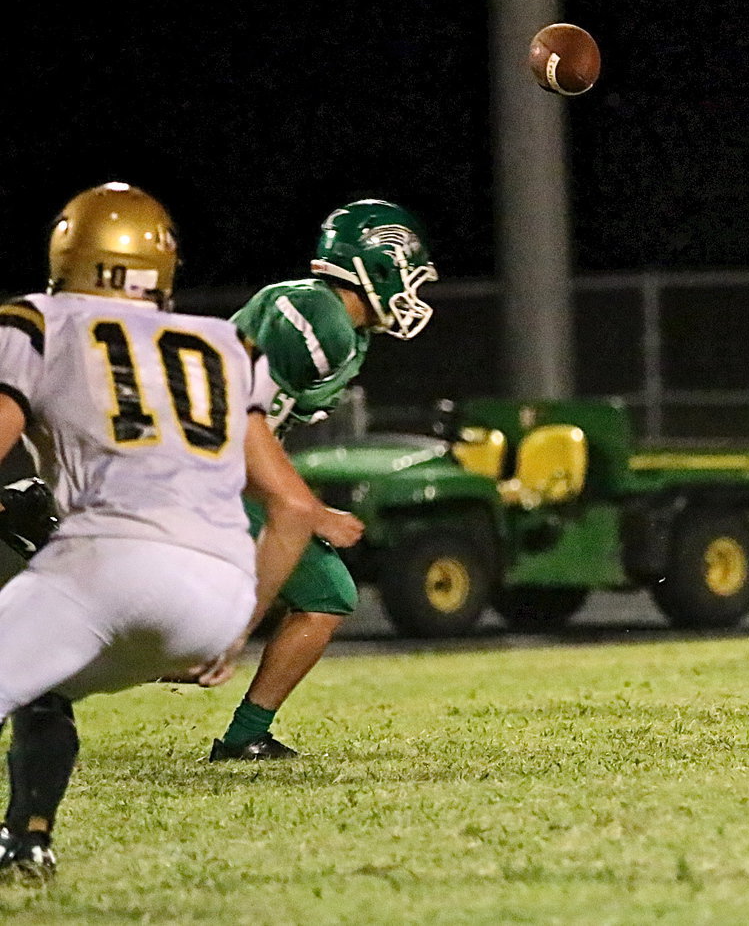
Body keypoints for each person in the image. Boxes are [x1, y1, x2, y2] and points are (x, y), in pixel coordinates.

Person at [0, 182, 363, 877]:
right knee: (43, 675)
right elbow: (289, 506)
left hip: (106, 561)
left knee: (26, 660)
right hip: (216, 591)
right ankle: (25, 839)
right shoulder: (221, 342)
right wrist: (235, 628)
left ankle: (27, 838)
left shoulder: (36, 320)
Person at [204, 199, 438, 761]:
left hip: (222, 468)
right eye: (406, 274)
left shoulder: (343, 328)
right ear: (374, 267)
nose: (411, 290)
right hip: (202, 470)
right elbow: (236, 425)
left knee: (327, 594)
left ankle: (244, 737)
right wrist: (300, 505)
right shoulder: (317, 321)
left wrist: (301, 504)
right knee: (169, 634)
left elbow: (263, 432)